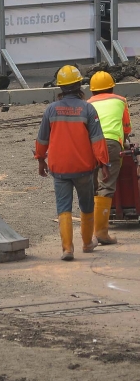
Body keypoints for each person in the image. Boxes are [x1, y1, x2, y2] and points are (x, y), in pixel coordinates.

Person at [35, 65, 110, 261]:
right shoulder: (87, 108)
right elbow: (97, 139)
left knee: (63, 207)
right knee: (86, 205)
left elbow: (42, 140)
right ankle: (86, 243)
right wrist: (103, 163)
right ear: (79, 85)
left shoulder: (51, 109)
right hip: (84, 168)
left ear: (60, 87)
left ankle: (67, 249)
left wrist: (41, 161)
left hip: (59, 168)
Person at [88, 71, 132, 245]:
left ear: (92, 91)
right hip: (112, 144)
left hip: (90, 145)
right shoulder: (120, 100)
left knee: (92, 185)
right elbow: (126, 127)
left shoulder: (87, 104)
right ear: (112, 87)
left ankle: (88, 232)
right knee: (106, 185)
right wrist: (124, 140)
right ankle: (101, 233)